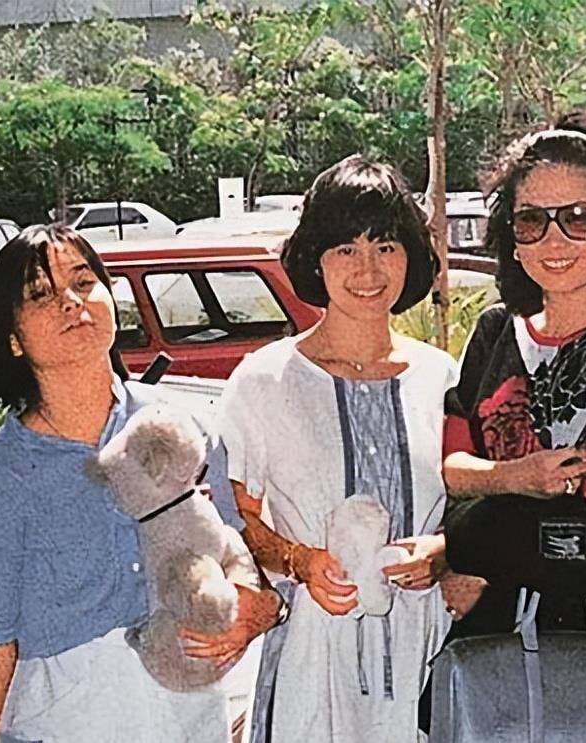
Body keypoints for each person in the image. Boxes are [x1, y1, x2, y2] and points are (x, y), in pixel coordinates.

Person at [0, 225, 279, 743]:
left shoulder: (186, 427)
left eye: (83, 282)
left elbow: (246, 559)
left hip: (199, 723)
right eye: (41, 294)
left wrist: (261, 608)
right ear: (11, 339)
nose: (71, 301)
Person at [218, 154, 457, 742]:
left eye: (386, 246)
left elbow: (476, 507)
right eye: (345, 248)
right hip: (312, 660)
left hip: (427, 659)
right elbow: (232, 520)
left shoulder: (442, 378)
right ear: (315, 259)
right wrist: (299, 560)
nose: (367, 268)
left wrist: (443, 551)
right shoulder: (265, 379)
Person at [438, 114, 586, 643]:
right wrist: (519, 476)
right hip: (484, 627)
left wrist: (462, 549)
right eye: (531, 220)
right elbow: (451, 469)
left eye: (578, 218)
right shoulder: (494, 330)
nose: (554, 239)